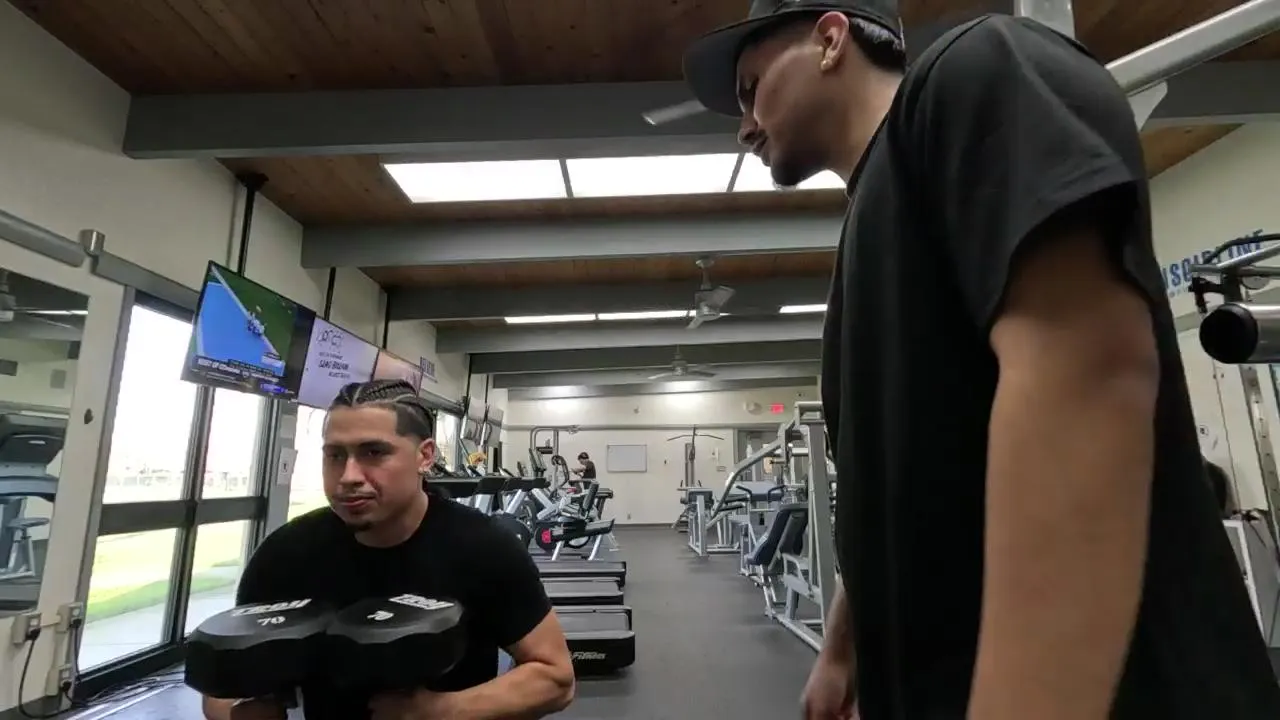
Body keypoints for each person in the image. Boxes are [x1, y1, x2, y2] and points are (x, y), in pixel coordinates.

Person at [683, 2, 1280, 718]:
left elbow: (1087, 375)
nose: (745, 125)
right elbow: (897, 489)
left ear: (831, 40)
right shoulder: (868, 229)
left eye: (752, 89)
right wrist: (844, 647)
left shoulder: (973, 71)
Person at [200, 379, 574, 720]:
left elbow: (554, 677)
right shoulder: (284, 554)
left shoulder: (484, 548)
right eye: (335, 455)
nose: (349, 476)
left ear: (425, 456)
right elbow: (225, 683)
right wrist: (238, 710)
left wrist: (441, 711)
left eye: (374, 452)